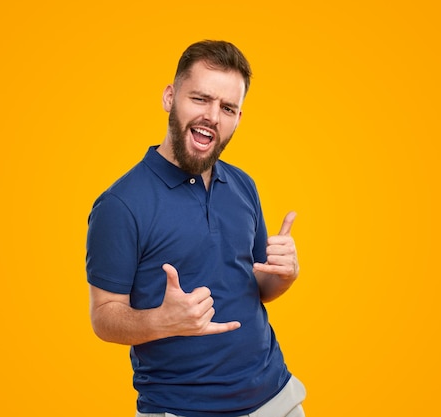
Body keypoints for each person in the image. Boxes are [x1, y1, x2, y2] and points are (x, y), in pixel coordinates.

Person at [86, 40, 306, 417]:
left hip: (277, 398)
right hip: (183, 409)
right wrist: (161, 320)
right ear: (170, 97)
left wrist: (285, 276)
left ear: (238, 118)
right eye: (201, 99)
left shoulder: (243, 185)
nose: (213, 117)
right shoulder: (120, 205)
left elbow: (255, 285)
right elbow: (104, 317)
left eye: (227, 108)